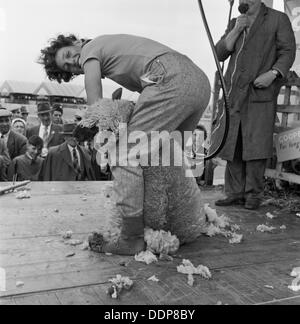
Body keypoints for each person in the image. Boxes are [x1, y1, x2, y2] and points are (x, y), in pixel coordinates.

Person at [39, 33, 211, 255]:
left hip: (169, 77)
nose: (74, 62)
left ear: (77, 42)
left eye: (69, 55)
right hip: (198, 82)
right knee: (168, 157)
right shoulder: (111, 46)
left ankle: (131, 238)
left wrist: (94, 119)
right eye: (69, 67)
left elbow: (94, 94)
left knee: (124, 155)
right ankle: (183, 223)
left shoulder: (90, 50)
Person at [215, 0, 296, 210]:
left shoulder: (278, 19)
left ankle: (253, 194)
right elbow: (220, 53)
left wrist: (274, 73)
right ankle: (234, 192)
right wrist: (237, 30)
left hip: (259, 90)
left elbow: (288, 51)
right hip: (235, 92)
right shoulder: (236, 21)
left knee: (256, 143)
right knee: (233, 142)